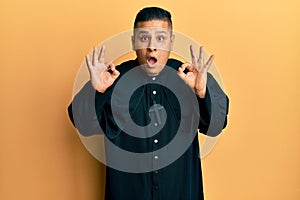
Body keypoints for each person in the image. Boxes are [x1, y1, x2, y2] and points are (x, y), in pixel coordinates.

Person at [68, 7, 229, 200]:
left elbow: (215, 126)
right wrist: (96, 91)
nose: (152, 47)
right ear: (133, 42)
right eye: (144, 38)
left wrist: (202, 92)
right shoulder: (110, 79)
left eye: (160, 38)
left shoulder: (192, 77)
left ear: (171, 42)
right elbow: (83, 125)